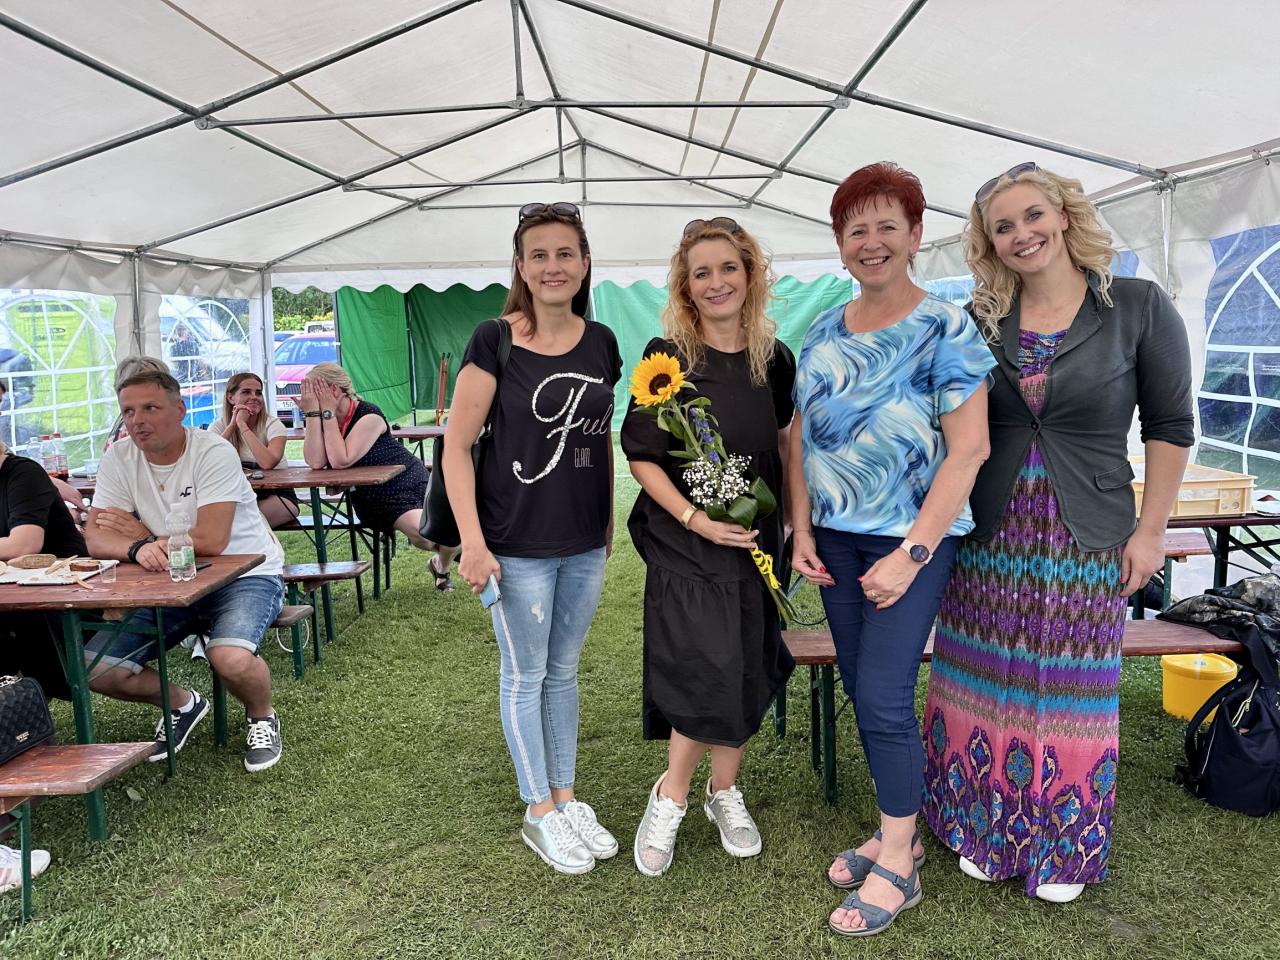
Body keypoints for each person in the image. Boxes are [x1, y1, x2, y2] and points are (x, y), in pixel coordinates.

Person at [920, 163, 1193, 903]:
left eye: (1032, 215)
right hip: (990, 530)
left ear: (1064, 215)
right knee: (979, 676)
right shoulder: (980, 320)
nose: (1022, 234)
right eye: (1003, 227)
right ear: (990, 243)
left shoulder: (1136, 306)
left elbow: (1171, 425)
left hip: (1087, 532)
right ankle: (980, 829)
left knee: (1071, 687)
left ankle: (1062, 846)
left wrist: (1152, 532)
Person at [789, 162, 994, 937]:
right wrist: (803, 529)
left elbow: (969, 449)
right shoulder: (821, 330)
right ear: (840, 243)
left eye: (886, 226)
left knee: (880, 695)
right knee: (861, 687)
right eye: (856, 229)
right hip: (835, 542)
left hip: (909, 541)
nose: (871, 241)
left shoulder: (946, 327)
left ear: (914, 235)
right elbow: (800, 438)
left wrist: (910, 552)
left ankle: (901, 863)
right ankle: (891, 828)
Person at [443, 201, 622, 875]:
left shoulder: (601, 341)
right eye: (539, 254)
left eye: (565, 253)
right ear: (520, 266)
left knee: (565, 671)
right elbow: (456, 447)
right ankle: (538, 811)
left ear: (584, 263)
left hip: (584, 541)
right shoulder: (495, 340)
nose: (553, 266)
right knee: (526, 674)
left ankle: (567, 797)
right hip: (513, 544)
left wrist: (605, 523)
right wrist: (473, 543)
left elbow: (598, 440)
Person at [622, 217, 796, 877]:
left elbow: (786, 445)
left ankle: (724, 793)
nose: (717, 282)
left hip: (755, 542)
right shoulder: (667, 359)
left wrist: (795, 527)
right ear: (685, 286)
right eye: (702, 273)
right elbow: (643, 457)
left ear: (750, 274)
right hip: (687, 544)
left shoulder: (774, 359)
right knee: (705, 665)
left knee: (746, 664)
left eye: (728, 268)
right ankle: (670, 795)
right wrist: (696, 520)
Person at [83, 368, 286, 772]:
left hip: (245, 573)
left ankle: (262, 716)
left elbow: (212, 539)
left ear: (180, 410)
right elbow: (95, 537)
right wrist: (139, 546)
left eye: (150, 408)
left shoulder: (212, 451)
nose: (137, 420)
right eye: (128, 411)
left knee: (228, 657)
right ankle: (184, 703)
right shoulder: (119, 457)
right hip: (170, 577)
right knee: (96, 668)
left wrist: (143, 537)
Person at [298, 363, 458, 589]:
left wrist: (325, 413)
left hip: (408, 479)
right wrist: (313, 415)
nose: (308, 398)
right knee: (427, 533)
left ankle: (441, 566)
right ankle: (446, 561)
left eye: (312, 391)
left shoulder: (368, 414)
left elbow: (341, 459)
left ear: (334, 390)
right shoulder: (325, 417)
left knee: (450, 528)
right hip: (376, 498)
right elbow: (317, 461)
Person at [209, 373, 299, 528]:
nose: (254, 397)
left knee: (236, 523)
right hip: (235, 495)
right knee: (224, 521)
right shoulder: (218, 427)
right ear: (230, 398)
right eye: (246, 392)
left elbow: (267, 462)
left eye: (258, 393)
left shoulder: (273, 424)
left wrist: (242, 426)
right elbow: (209, 461)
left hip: (276, 495)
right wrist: (232, 426)